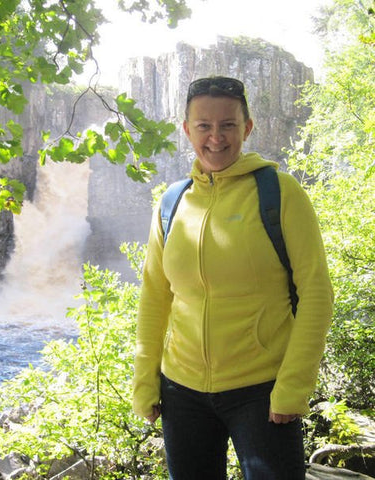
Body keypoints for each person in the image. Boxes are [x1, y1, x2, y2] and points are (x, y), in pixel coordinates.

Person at [132, 76, 333, 479]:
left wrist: (293, 386)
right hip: (181, 392)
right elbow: (155, 296)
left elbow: (316, 292)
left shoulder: (280, 193)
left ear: (247, 127)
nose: (216, 137)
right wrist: (145, 379)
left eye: (228, 125)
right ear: (187, 130)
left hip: (262, 391)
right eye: (204, 126)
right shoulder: (171, 204)